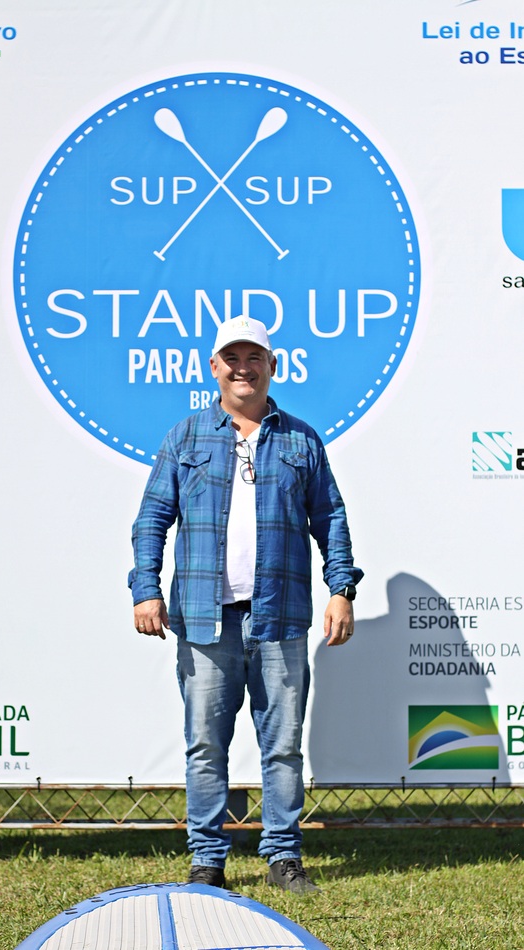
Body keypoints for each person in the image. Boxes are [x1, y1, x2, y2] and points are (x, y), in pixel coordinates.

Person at [128, 315, 363, 893]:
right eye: (231, 358)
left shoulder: (301, 440)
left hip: (280, 616)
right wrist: (146, 589)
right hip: (204, 618)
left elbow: (330, 518)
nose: (243, 368)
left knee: (282, 746)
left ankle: (283, 857)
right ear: (214, 368)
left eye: (254, 357)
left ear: (271, 366)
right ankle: (207, 862)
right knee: (205, 745)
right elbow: (152, 518)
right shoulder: (185, 437)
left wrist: (341, 589)